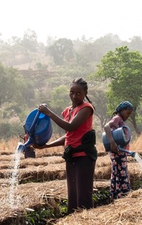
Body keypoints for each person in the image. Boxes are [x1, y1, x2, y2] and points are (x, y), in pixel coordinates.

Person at [34, 78, 96, 212]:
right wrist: (46, 145)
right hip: (71, 156)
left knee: (83, 196)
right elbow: (68, 136)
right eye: (72, 92)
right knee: (73, 195)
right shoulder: (68, 111)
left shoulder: (86, 109)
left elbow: (71, 127)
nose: (74, 96)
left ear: (85, 93)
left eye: (78, 93)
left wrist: (49, 113)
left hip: (84, 157)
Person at [104, 100, 141, 200]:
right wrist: (112, 142)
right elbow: (107, 126)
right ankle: (122, 194)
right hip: (117, 152)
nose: (128, 115)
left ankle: (118, 194)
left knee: (118, 172)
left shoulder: (121, 120)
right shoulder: (117, 118)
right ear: (122, 110)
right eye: (127, 113)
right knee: (120, 172)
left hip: (120, 152)